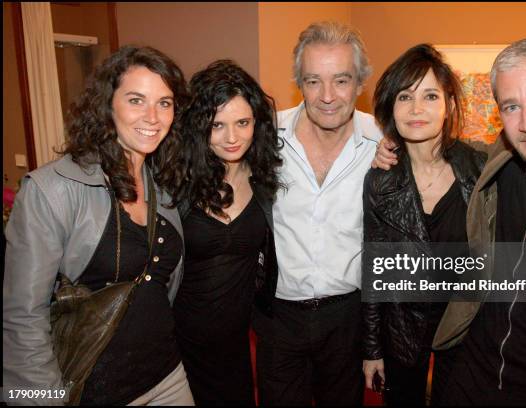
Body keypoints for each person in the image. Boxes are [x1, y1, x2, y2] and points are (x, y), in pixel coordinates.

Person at [376, 36, 526, 405]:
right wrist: (392, 146)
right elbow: (442, 151)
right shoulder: (498, 165)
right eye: (511, 106)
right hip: (468, 374)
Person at [3, 46, 194, 406]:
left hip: (168, 375)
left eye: (164, 103)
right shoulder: (52, 189)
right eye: (137, 100)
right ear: (108, 105)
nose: (153, 116)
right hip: (92, 390)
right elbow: (20, 317)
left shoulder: (162, 186)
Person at [251, 21, 383, 406]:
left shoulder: (383, 141)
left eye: (341, 80)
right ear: (299, 83)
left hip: (347, 319)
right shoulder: (265, 138)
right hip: (277, 319)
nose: (327, 96)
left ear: (360, 84)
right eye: (313, 81)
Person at [361, 44, 487, 406]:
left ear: (448, 104)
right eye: (405, 96)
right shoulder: (380, 180)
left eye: (430, 96)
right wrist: (372, 349)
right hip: (401, 329)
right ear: (390, 107)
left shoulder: (479, 168)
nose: (417, 109)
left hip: (466, 328)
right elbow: (374, 267)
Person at [170, 59, 283, 406]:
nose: (232, 137)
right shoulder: (176, 182)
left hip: (235, 345)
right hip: (178, 344)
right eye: (217, 125)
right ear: (199, 126)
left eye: (242, 122)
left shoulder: (264, 177)